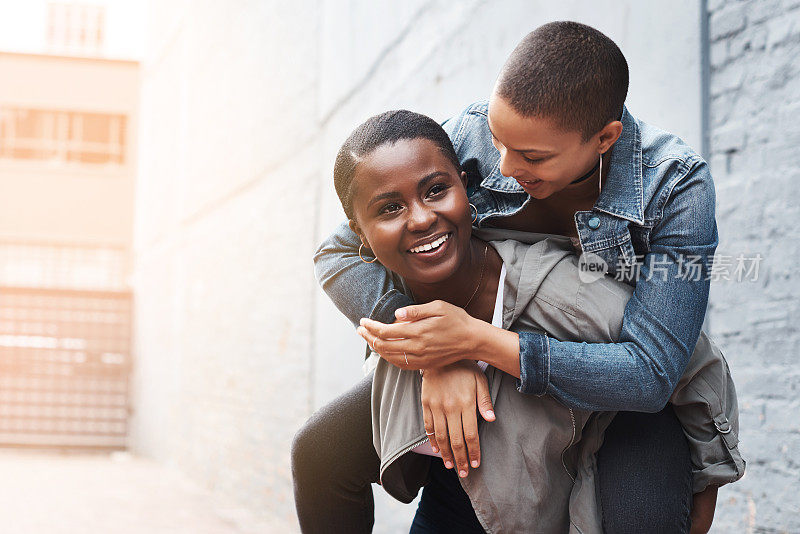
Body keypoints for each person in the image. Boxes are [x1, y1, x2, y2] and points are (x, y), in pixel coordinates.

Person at [307, 21, 739, 533]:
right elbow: (340, 248)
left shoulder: (675, 189)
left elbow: (648, 373)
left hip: (618, 400)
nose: (504, 166)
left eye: (533, 157)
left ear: (604, 139)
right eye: (499, 140)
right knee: (318, 454)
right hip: (495, 370)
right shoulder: (473, 137)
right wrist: (429, 348)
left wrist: (478, 344)